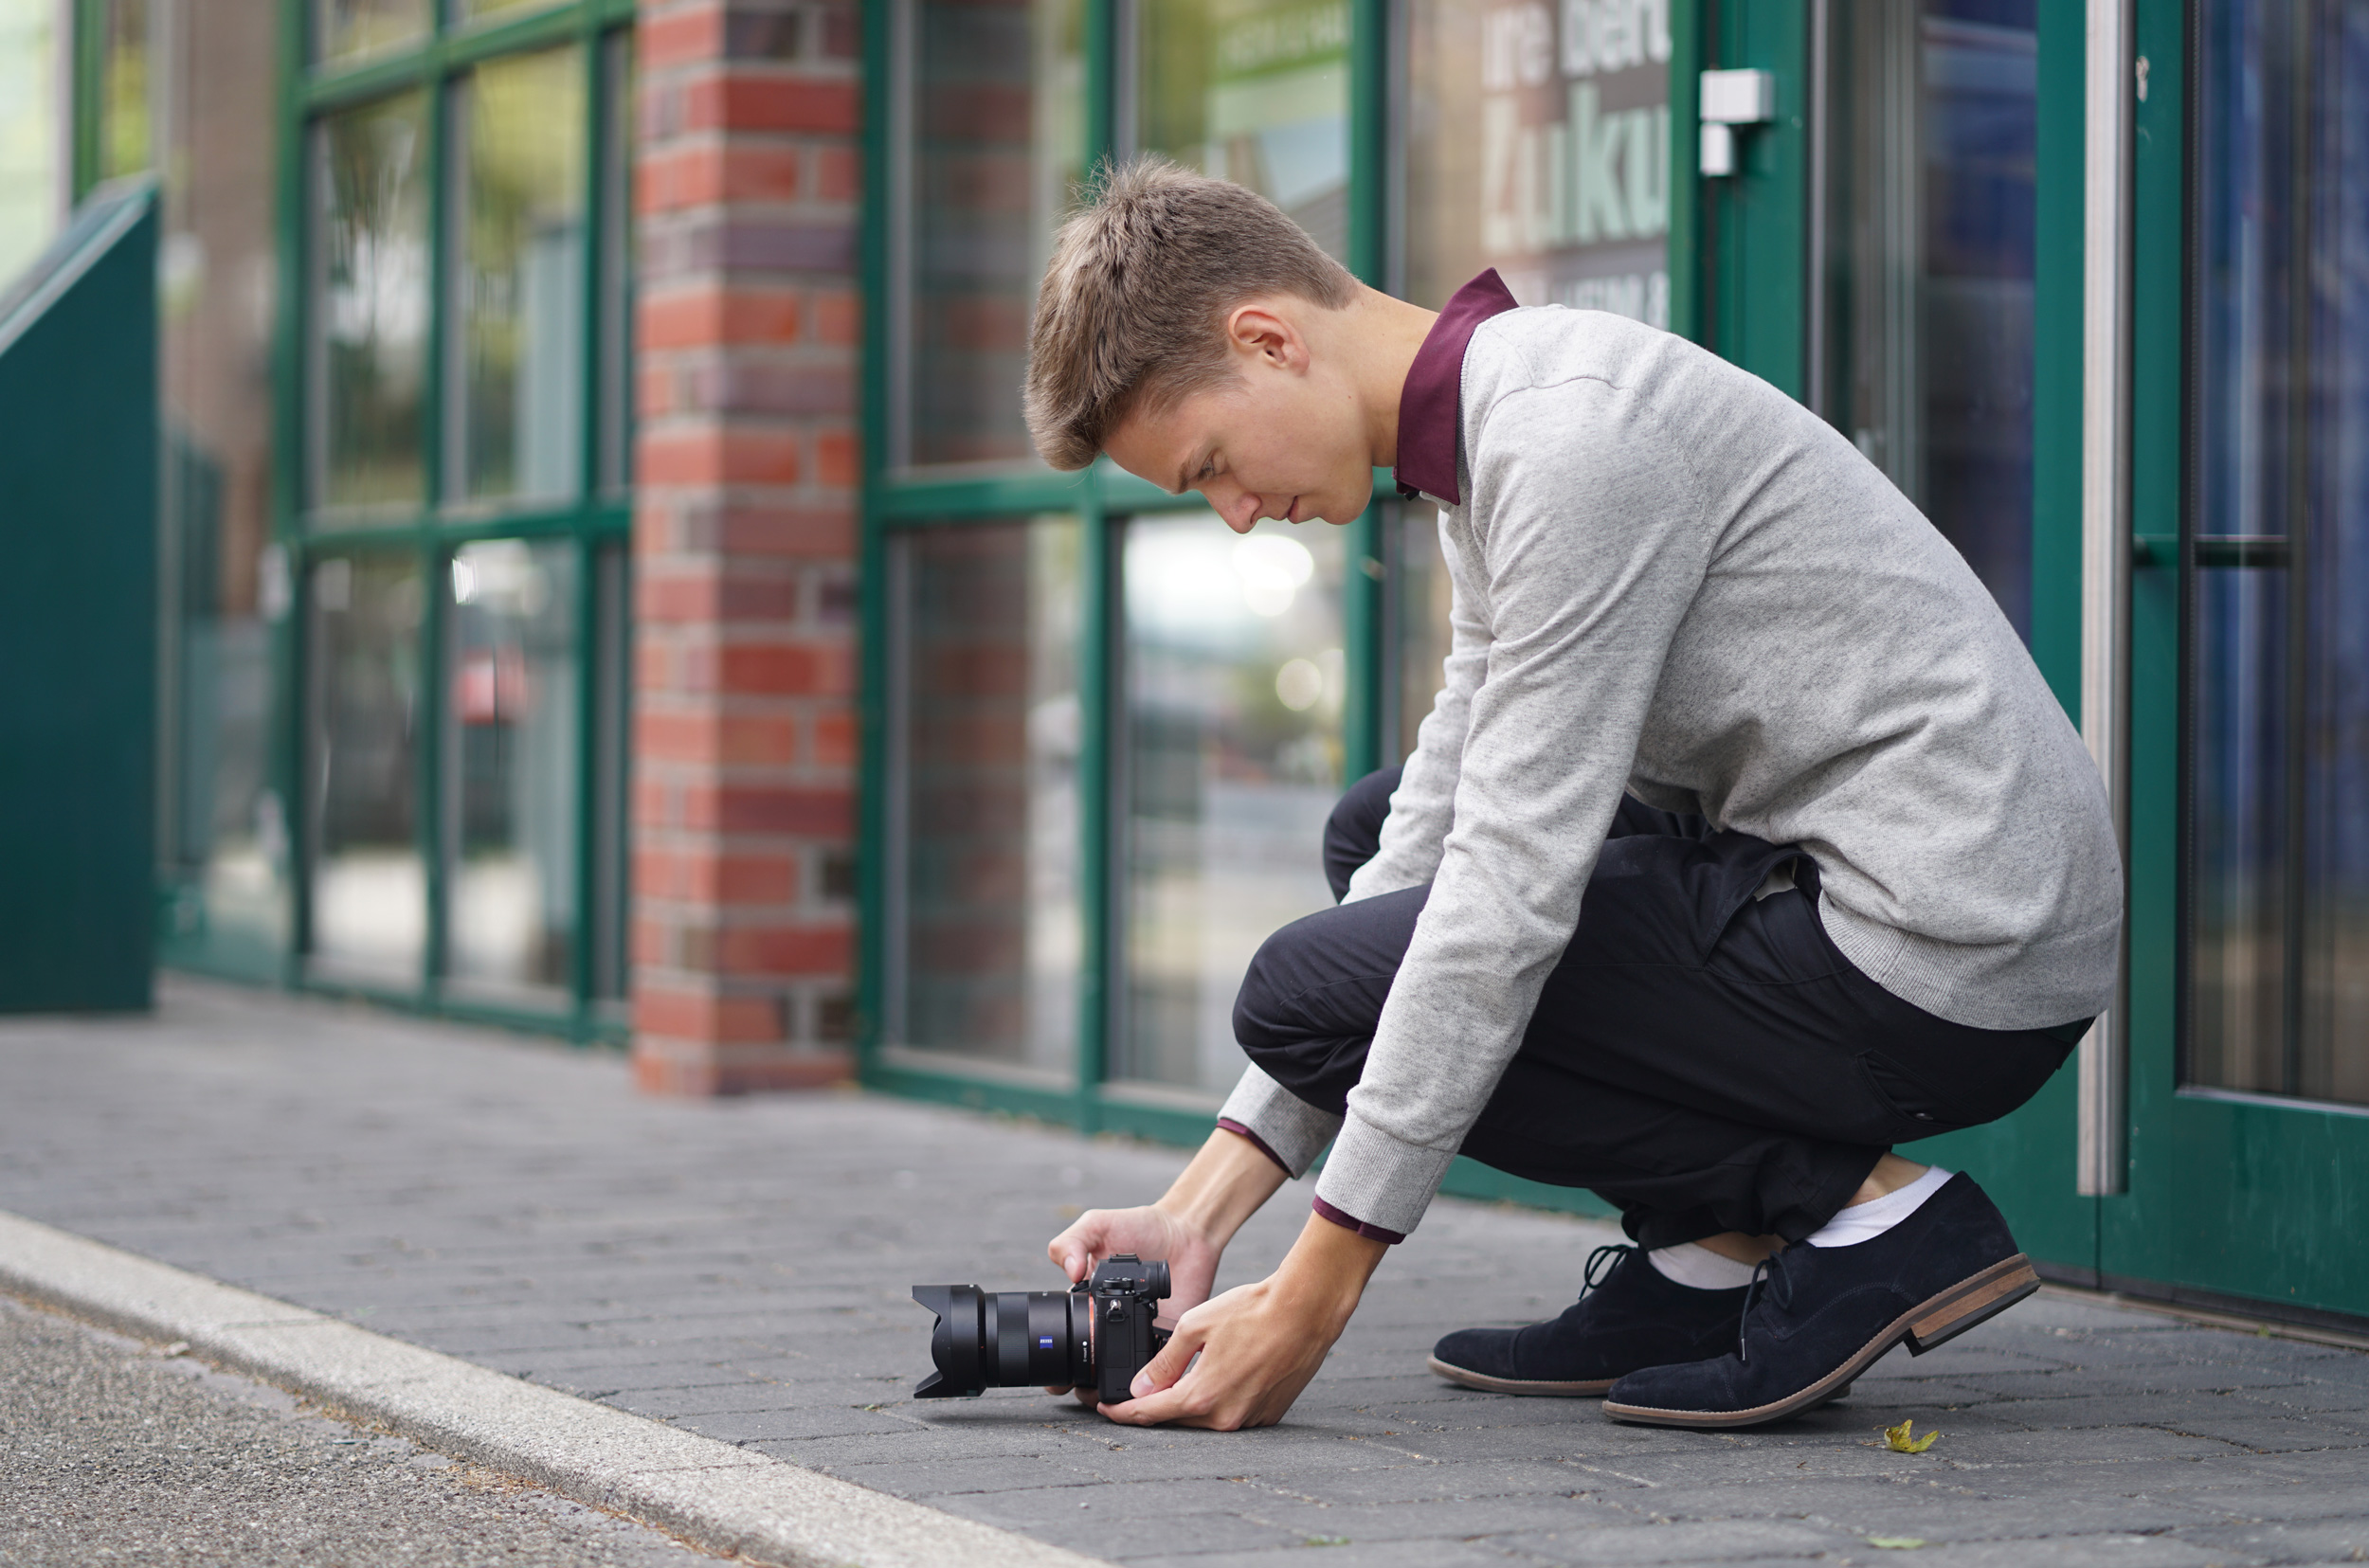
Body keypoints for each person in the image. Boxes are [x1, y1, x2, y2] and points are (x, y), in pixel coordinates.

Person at [1027, 159, 2123, 1433]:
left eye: (1211, 461)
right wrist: (1201, 1206)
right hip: (1875, 889)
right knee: (1371, 845)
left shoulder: (1570, 443)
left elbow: (1503, 900)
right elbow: (1440, 818)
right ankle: (1709, 1260)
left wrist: (1312, 1295)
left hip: (1953, 943)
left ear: (1266, 340)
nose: (1231, 514)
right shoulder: (1497, 433)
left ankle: (1878, 1220)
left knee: (1327, 979)